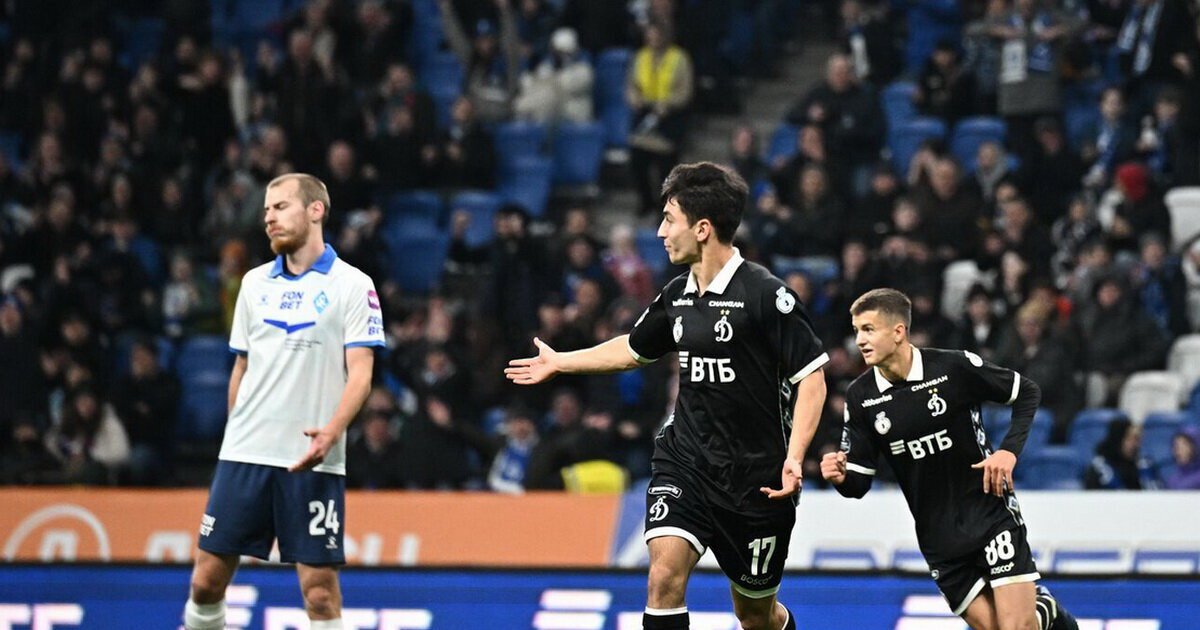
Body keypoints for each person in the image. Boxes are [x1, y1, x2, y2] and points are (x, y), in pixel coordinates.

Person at [507, 162, 828, 630]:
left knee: (756, 615)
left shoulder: (766, 296)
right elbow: (634, 349)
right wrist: (561, 362)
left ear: (702, 229)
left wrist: (795, 456)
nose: (660, 232)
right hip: (686, 460)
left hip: (756, 479)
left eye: (669, 219)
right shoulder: (677, 294)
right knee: (663, 578)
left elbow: (813, 379)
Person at [182, 174, 385, 630]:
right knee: (205, 583)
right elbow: (241, 368)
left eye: (280, 207)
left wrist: (332, 432)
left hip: (311, 458)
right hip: (245, 454)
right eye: (266, 211)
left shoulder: (353, 285)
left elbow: (362, 373)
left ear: (315, 210)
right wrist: (236, 434)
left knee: (320, 594)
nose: (269, 218)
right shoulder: (254, 284)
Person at [821, 288, 1078, 630]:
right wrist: (840, 477)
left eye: (868, 329)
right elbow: (858, 483)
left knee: (1017, 629)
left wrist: (1007, 451)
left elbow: (1026, 391)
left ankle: (1040, 613)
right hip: (938, 539)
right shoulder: (860, 396)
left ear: (898, 332)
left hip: (988, 514)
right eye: (856, 331)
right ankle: (1044, 610)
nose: (859, 341)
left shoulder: (953, 367)